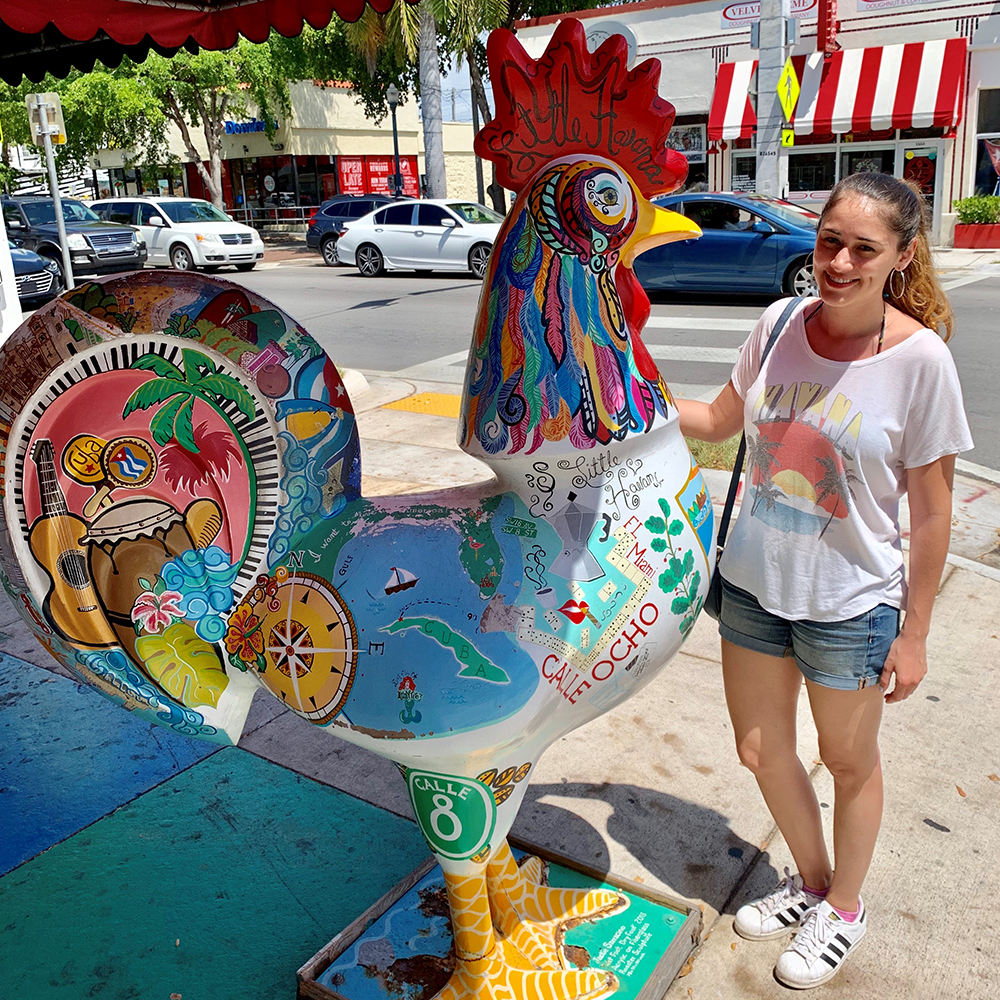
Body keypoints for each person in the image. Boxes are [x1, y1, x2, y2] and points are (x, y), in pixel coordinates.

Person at [676, 173, 973, 989]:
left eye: (863, 249)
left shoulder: (920, 362)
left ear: (902, 256)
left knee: (848, 762)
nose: (838, 262)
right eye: (829, 240)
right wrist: (629, 397)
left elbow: (934, 513)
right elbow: (719, 421)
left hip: (851, 605)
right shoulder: (777, 325)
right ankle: (811, 885)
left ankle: (846, 907)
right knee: (760, 750)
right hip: (753, 586)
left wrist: (914, 635)